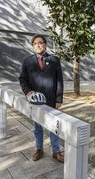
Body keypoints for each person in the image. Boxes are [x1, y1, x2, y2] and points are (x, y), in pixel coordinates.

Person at [19, 34, 64, 163]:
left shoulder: (54, 60)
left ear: (45, 45)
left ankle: (56, 151)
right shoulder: (27, 61)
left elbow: (59, 80)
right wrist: (28, 92)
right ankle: (39, 149)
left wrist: (58, 99)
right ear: (33, 46)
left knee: (54, 127)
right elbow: (23, 79)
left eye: (40, 42)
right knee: (37, 127)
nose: (38, 45)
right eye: (35, 43)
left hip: (51, 101)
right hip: (36, 101)